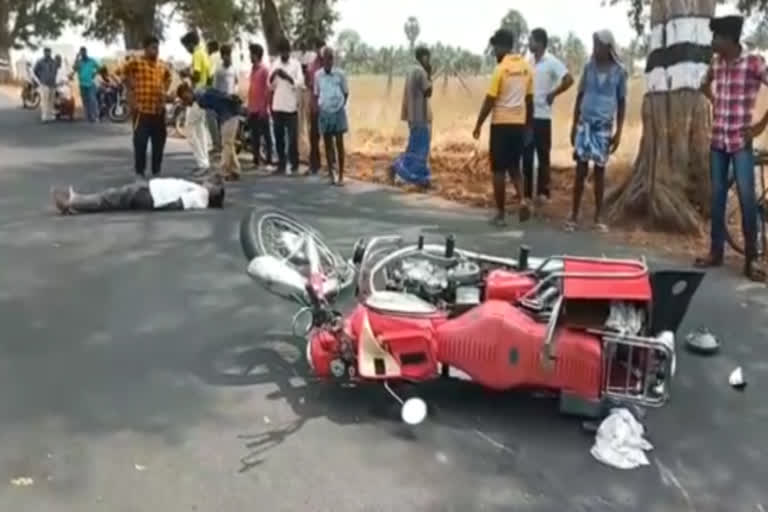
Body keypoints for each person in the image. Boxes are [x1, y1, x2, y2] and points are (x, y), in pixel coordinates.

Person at [696, 15, 768, 281]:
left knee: (747, 198)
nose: (713, 43)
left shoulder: (753, 62)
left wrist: (760, 126)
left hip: (740, 142)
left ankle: (752, 259)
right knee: (717, 197)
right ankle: (716, 252)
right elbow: (703, 84)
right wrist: (714, 99)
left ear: (729, 40)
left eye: (716, 38)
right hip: (718, 141)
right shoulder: (717, 63)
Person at [567, 30, 627, 233]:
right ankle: (573, 216)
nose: (595, 49)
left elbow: (622, 102)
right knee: (580, 170)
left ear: (608, 48)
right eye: (594, 45)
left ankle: (598, 217)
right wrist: (574, 125)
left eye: (598, 45)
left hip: (603, 127)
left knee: (600, 172)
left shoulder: (619, 72)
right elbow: (579, 95)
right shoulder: (588, 68)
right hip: (585, 124)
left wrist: (619, 132)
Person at [472, 29, 534, 226]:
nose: (494, 52)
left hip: (500, 124)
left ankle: (500, 214)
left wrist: (478, 124)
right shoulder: (526, 68)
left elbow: (490, 100)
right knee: (515, 167)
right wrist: (528, 126)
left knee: (498, 170)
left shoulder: (500, 69)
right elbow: (530, 101)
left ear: (502, 47)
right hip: (519, 125)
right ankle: (523, 200)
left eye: (495, 48)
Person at [524, 28, 574, 203]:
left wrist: (553, 93)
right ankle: (527, 193)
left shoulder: (552, 62)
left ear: (539, 42)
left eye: (531, 40)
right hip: (528, 116)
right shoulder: (528, 61)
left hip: (543, 116)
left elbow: (569, 79)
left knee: (543, 155)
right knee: (527, 155)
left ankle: (543, 193)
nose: (529, 43)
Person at [115, 36, 173, 179]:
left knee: (159, 143)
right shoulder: (136, 63)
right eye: (153, 48)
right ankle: (139, 172)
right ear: (145, 49)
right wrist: (130, 87)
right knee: (140, 143)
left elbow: (169, 78)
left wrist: (163, 92)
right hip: (141, 111)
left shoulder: (162, 65)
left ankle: (156, 171)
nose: (156, 51)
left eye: (157, 48)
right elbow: (119, 72)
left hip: (158, 112)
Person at [176, 82, 243, 182]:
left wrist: (232, 98)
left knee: (227, 144)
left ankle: (223, 171)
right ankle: (235, 171)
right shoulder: (200, 96)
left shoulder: (202, 96)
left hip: (230, 114)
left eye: (185, 98)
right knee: (229, 144)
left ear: (188, 91)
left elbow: (219, 95)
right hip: (226, 116)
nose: (187, 102)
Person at [51, 177, 226, 215]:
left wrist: (153, 203)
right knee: (112, 198)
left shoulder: (200, 196)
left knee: (111, 198)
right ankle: (76, 202)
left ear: (212, 191)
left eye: (212, 184)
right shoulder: (200, 192)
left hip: (151, 194)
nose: (208, 182)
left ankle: (74, 202)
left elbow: (178, 204)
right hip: (151, 191)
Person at [391, 46, 433, 188]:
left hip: (411, 116)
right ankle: (414, 177)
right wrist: (429, 75)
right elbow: (428, 92)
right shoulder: (421, 72)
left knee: (414, 147)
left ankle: (402, 171)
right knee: (421, 149)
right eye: (428, 57)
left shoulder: (410, 71)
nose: (429, 60)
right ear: (424, 57)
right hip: (420, 116)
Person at [314, 47, 349, 186]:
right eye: (326, 58)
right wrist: (321, 107)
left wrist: (339, 105)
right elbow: (317, 93)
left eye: (331, 58)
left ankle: (341, 175)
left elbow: (346, 92)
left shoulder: (340, 74)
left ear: (333, 59)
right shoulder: (318, 75)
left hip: (338, 111)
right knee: (328, 144)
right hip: (325, 111)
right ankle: (331, 173)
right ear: (322, 60)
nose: (328, 61)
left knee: (339, 143)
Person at [269, 38, 304, 175]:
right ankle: (281, 165)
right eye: (282, 52)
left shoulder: (295, 64)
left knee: (293, 138)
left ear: (289, 51)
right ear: (279, 52)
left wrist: (287, 77)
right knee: (279, 138)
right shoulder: (275, 64)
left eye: (286, 52)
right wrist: (273, 75)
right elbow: (270, 85)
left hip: (291, 106)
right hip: (278, 105)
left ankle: (294, 165)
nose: (284, 54)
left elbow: (300, 82)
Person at [181, 31, 214, 175]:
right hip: (205, 94)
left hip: (197, 96)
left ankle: (202, 163)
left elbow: (196, 75)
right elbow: (210, 77)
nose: (186, 49)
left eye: (186, 46)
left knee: (189, 129)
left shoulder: (196, 54)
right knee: (200, 130)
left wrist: (185, 73)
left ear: (190, 44)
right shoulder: (205, 53)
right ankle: (205, 163)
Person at [248, 43, 273, 169]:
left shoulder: (264, 70)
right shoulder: (253, 69)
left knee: (266, 136)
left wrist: (264, 107)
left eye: (251, 54)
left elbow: (267, 90)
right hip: (252, 108)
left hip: (261, 109)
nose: (249, 56)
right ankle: (256, 161)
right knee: (254, 137)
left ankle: (269, 161)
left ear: (257, 55)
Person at [306, 38, 326, 174]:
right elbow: (309, 82)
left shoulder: (328, 64)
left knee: (329, 137)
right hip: (314, 105)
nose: (318, 50)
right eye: (316, 47)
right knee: (313, 136)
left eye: (320, 47)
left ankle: (332, 165)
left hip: (326, 106)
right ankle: (314, 164)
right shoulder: (312, 65)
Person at [74, 46, 101, 122]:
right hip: (82, 84)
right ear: (80, 53)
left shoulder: (91, 60)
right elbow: (75, 68)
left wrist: (94, 73)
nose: (83, 53)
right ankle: (89, 117)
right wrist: (76, 58)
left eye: (84, 52)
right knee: (85, 101)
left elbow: (99, 68)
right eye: (81, 52)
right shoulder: (79, 62)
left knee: (92, 100)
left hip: (90, 84)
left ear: (86, 52)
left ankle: (95, 116)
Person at [33, 47, 59, 123]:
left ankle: (50, 116)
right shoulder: (40, 61)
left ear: (50, 52)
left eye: (48, 52)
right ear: (44, 53)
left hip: (52, 83)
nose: (47, 53)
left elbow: (56, 71)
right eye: (46, 52)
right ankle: (44, 116)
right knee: (44, 100)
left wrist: (53, 77)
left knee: (51, 100)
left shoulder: (54, 62)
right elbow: (35, 71)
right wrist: (41, 78)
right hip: (44, 83)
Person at [206, 40, 223, 156]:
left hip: (215, 93)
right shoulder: (223, 57)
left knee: (210, 117)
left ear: (211, 48)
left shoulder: (212, 57)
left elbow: (211, 75)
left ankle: (217, 145)